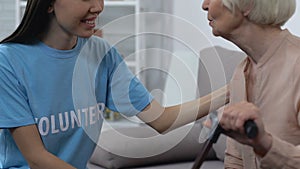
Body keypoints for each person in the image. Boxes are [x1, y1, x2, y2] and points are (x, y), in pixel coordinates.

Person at [0, 0, 228, 168]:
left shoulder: (102, 54)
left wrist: (229, 92)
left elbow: (161, 119)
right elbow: (36, 158)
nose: (98, 7)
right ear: (49, 4)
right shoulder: (8, 61)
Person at [202, 0, 300, 168]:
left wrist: (265, 144)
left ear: (247, 4)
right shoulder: (240, 73)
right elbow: (235, 160)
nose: (204, 5)